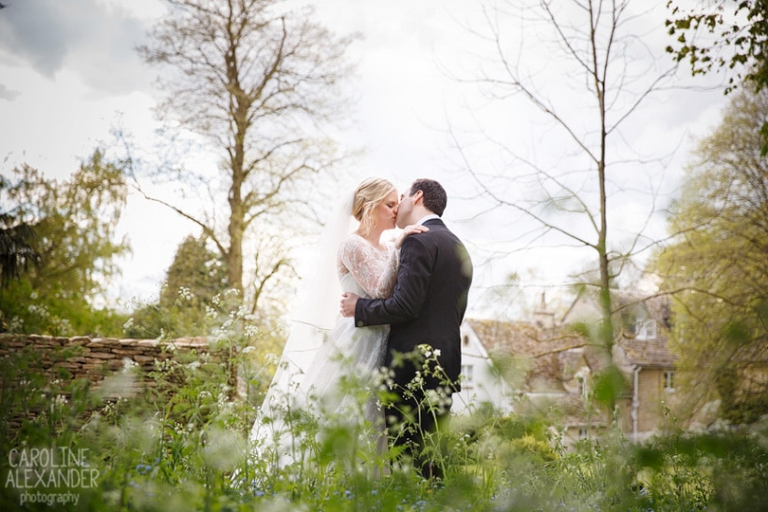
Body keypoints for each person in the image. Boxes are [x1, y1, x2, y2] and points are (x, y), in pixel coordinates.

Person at [250, 177, 427, 467]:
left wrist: (396, 249)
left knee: (374, 422)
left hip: (384, 339)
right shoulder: (352, 245)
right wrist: (401, 244)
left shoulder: (386, 249)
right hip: (357, 341)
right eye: (389, 204)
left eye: (397, 203)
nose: (397, 210)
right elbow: (380, 290)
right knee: (344, 414)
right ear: (369, 207)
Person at [340, 178, 473, 479]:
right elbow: (455, 313)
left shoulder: (417, 240)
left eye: (401, 198)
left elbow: (404, 305)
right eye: (390, 202)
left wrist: (359, 308)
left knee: (407, 465)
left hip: (410, 366)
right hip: (445, 365)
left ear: (417, 197)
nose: (398, 205)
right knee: (433, 461)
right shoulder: (457, 246)